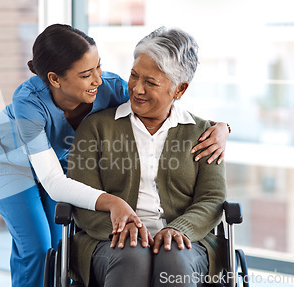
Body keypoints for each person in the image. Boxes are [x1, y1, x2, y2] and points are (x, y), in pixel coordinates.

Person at [0, 24, 229, 287]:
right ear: (55, 79)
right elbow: (53, 183)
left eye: (99, 66)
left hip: (56, 161)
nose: (98, 79)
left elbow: (167, 112)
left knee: (58, 248)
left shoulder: (110, 88)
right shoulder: (28, 102)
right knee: (37, 248)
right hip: (9, 164)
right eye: (87, 74)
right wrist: (113, 203)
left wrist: (221, 128)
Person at [67, 27, 227, 287]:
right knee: (132, 254)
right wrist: (120, 230)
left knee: (173, 257)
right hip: (109, 241)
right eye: (133, 76)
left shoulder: (204, 135)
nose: (137, 89)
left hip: (187, 243)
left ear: (179, 90)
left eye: (150, 82)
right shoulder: (96, 127)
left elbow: (212, 198)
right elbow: (82, 195)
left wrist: (179, 229)